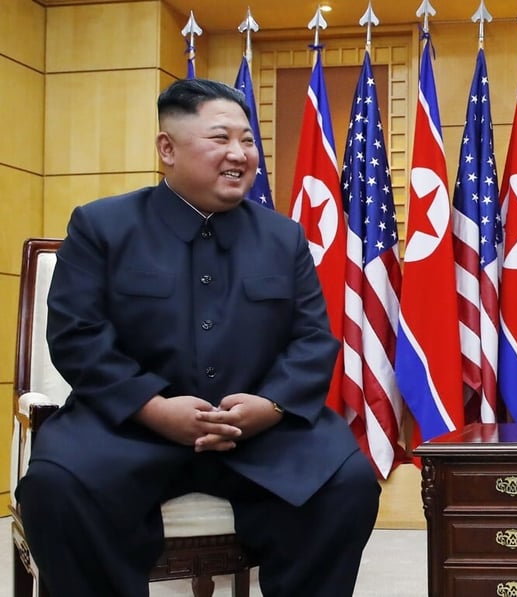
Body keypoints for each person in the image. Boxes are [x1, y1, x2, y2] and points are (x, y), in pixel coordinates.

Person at [16, 78, 380, 597]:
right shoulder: (102, 226)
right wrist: (153, 407)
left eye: (247, 140)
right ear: (167, 148)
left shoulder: (284, 237)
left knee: (346, 484)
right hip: (130, 427)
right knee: (56, 488)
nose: (240, 154)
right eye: (220, 139)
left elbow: (312, 340)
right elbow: (78, 334)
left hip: (256, 430)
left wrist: (270, 406)